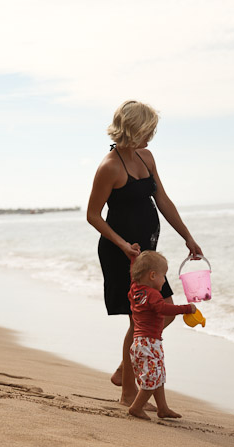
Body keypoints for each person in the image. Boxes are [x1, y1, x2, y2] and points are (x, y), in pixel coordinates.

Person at [87, 100, 202, 408]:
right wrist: (123, 245)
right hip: (121, 254)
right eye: (148, 130)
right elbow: (93, 215)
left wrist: (187, 236)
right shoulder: (109, 167)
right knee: (138, 321)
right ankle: (128, 392)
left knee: (165, 310)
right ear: (133, 129)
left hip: (146, 252)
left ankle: (124, 370)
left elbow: (162, 199)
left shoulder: (146, 157)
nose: (151, 136)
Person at [128, 250, 196, 420]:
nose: (164, 280)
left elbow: (134, 275)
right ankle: (136, 407)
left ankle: (163, 408)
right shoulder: (153, 294)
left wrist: (134, 260)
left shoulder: (135, 290)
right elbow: (163, 308)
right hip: (150, 343)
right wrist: (186, 308)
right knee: (152, 378)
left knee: (158, 376)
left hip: (139, 343)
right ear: (152, 275)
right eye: (163, 276)